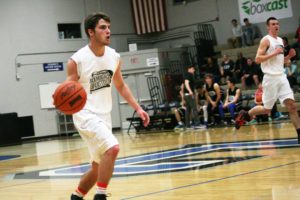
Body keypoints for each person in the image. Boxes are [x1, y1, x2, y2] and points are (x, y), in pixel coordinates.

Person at [67, 13, 150, 200]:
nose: (108, 31)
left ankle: (76, 197)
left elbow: (120, 85)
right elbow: (69, 89)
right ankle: (101, 196)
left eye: (108, 27)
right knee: (112, 148)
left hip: (104, 115)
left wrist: (138, 108)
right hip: (84, 114)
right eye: (102, 27)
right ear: (91, 32)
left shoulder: (114, 57)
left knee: (98, 167)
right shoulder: (76, 60)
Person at [235, 17, 300, 144]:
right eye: (273, 24)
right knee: (267, 109)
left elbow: (280, 62)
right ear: (268, 27)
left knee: (292, 106)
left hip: (281, 77)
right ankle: (246, 114)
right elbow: (257, 59)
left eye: (277, 24)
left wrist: (289, 57)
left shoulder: (280, 40)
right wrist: (275, 53)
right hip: (270, 78)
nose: (276, 26)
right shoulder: (266, 40)